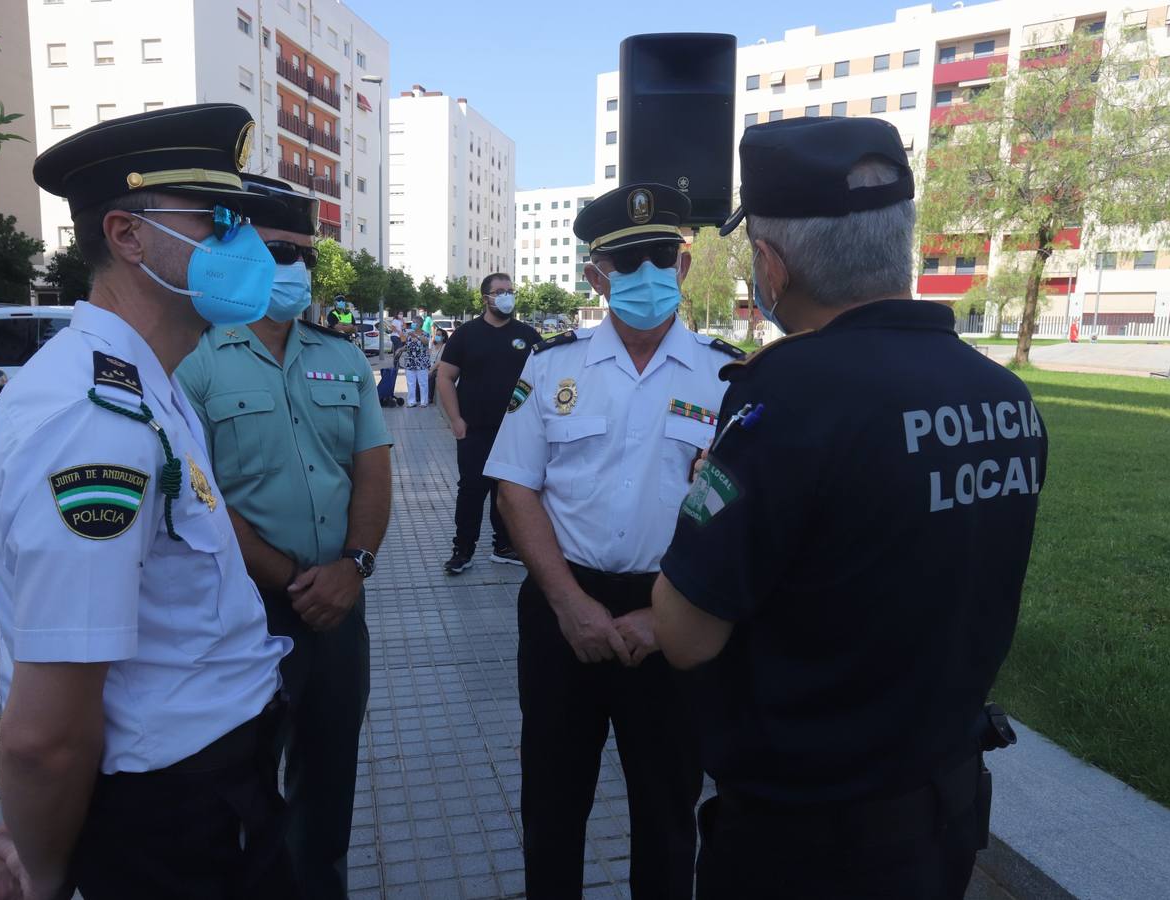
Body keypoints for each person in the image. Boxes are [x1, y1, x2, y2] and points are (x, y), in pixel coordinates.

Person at [651, 117, 1049, 899]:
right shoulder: (1004, 396)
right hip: (944, 808)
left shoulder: (787, 401)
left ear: (771, 264)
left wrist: (706, 492)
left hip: (809, 839)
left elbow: (684, 634)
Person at [0, 103, 294, 900]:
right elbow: (46, 732)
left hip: (206, 789)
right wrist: (42, 873)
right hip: (171, 816)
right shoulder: (93, 423)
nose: (244, 244)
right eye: (217, 221)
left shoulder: (142, 389)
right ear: (127, 236)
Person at [485, 183, 743, 899]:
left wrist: (665, 620)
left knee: (667, 814)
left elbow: (742, 515)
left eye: (661, 256)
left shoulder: (729, 378)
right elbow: (515, 487)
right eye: (627, 263)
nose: (647, 276)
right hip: (561, 609)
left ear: (684, 267)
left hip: (673, 615)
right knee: (552, 804)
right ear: (597, 276)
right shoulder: (551, 366)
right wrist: (568, 603)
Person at [177, 173, 392, 900]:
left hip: (338, 606)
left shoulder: (342, 356)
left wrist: (353, 568)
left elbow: (373, 471)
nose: (295, 268)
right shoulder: (193, 362)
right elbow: (197, 493)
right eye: (278, 250)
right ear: (233, 253)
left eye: (305, 254)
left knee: (327, 781)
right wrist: (287, 577)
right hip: (240, 609)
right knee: (235, 782)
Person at [436, 272, 539, 574]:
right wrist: (455, 420)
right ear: (486, 298)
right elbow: (445, 377)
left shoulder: (527, 335)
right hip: (475, 430)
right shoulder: (466, 334)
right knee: (472, 490)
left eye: (510, 290)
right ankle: (462, 549)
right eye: (500, 291)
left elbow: (543, 378)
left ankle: (504, 545)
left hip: (515, 431)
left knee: (506, 490)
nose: (507, 295)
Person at [401, 317, 431, 407]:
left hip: (421, 362)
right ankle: (411, 402)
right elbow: (407, 346)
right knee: (410, 383)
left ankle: (424, 402)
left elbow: (426, 342)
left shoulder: (425, 334)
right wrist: (400, 349)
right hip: (410, 362)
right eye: (412, 322)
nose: (412, 324)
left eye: (414, 322)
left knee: (423, 383)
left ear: (419, 324)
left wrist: (417, 336)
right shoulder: (409, 335)